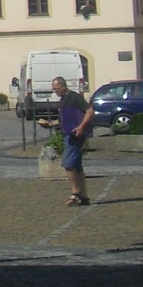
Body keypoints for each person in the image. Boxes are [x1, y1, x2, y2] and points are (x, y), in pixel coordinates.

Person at [53, 75, 94, 206]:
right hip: (67, 133)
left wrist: (81, 126)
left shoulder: (74, 97)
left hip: (75, 134)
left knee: (68, 163)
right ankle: (84, 196)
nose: (55, 91)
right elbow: (65, 118)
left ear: (62, 86)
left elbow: (90, 111)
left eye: (56, 88)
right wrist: (51, 123)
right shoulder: (63, 100)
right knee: (76, 166)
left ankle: (76, 193)